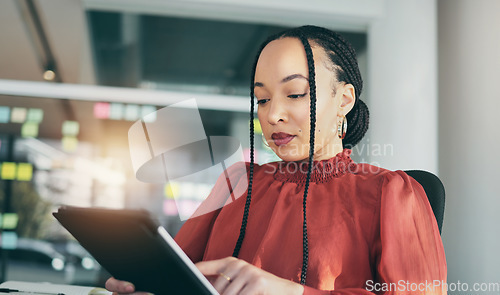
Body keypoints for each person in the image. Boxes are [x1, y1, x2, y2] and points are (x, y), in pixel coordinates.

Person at [105, 25, 447, 295]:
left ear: (344, 100)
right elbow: (180, 274)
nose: (272, 115)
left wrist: (290, 291)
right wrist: (147, 286)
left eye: (295, 94)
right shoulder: (236, 183)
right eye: (262, 99)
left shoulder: (392, 193)